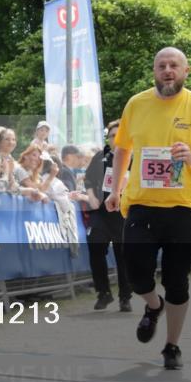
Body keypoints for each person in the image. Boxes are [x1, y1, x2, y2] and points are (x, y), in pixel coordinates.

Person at [105, 47, 191, 370]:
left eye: (174, 65)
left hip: (182, 206)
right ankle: (153, 305)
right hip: (141, 204)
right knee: (135, 273)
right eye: (162, 65)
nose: (168, 70)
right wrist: (115, 190)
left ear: (186, 71)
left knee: (177, 280)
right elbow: (122, 150)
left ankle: (172, 346)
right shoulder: (137, 103)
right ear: (154, 71)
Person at [72, 119, 132, 312]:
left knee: (123, 256)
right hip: (101, 212)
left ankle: (125, 297)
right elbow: (88, 180)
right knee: (95, 247)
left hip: (124, 214)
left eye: (118, 134)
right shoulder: (101, 156)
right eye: (112, 135)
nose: (115, 138)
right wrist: (91, 197)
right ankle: (103, 292)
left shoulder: (135, 156)